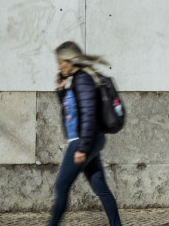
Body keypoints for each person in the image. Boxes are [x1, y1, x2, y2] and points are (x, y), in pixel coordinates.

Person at [49, 41, 122, 226]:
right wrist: (60, 90)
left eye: (60, 63)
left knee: (61, 186)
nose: (58, 67)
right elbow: (71, 112)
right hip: (91, 139)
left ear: (69, 61)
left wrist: (82, 148)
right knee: (101, 187)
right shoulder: (80, 79)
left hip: (83, 140)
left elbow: (89, 116)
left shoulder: (83, 80)